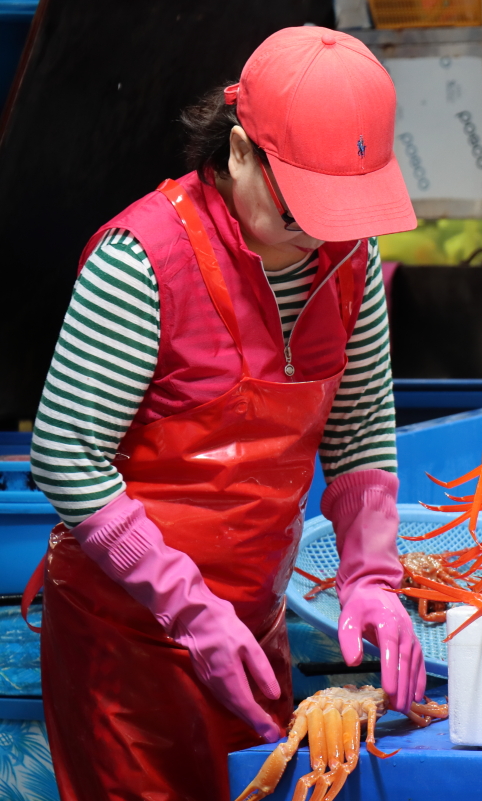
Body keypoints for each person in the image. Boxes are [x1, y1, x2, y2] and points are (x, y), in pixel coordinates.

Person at [27, 26, 423, 800]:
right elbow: (65, 453)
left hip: (249, 629)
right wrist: (188, 607)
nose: (323, 233)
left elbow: (361, 425)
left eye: (345, 208)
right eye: (302, 205)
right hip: (126, 641)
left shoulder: (352, 258)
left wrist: (371, 577)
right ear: (240, 150)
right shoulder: (141, 259)